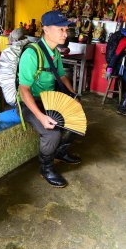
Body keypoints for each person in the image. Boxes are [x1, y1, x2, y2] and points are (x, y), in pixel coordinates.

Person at [18, 10, 81, 188]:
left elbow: (61, 76)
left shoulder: (56, 53)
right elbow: (24, 91)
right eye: (60, 29)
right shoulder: (31, 54)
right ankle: (46, 168)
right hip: (29, 102)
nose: (65, 33)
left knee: (76, 116)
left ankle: (61, 152)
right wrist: (41, 116)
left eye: (66, 29)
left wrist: (73, 95)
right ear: (46, 30)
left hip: (49, 99)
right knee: (52, 133)